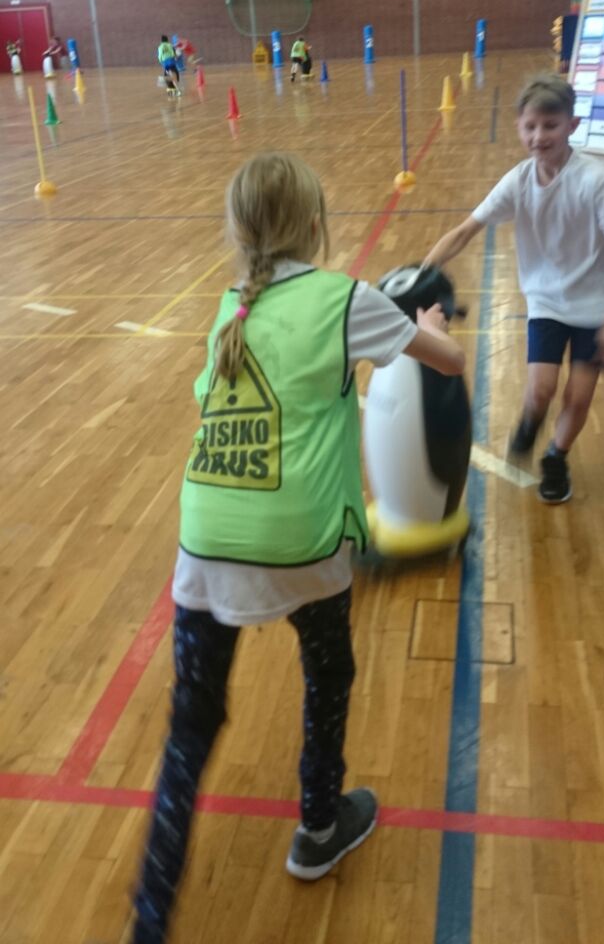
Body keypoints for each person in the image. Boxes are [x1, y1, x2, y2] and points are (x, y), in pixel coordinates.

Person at [131, 151, 465, 944]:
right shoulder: (343, 298)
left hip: (203, 543)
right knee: (328, 673)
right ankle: (318, 825)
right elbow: (449, 365)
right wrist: (430, 328)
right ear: (316, 224)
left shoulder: (230, 308)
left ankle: (148, 917)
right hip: (303, 546)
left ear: (239, 233)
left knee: (189, 731)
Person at [423, 73, 604, 504]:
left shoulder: (595, 180)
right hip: (546, 302)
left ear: (572, 125)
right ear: (519, 128)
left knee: (578, 397)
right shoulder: (517, 181)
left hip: (595, 307)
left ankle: (556, 457)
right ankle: (530, 421)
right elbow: (464, 231)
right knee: (540, 390)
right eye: (530, 126)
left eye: (550, 125)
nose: (539, 136)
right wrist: (421, 273)